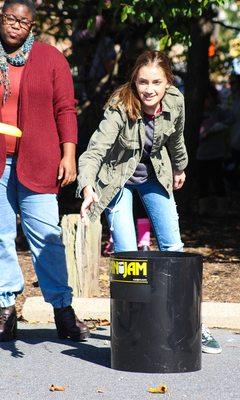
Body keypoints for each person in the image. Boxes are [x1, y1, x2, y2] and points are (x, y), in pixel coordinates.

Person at [77, 50, 221, 354]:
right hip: (118, 179)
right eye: (143, 82)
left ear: (167, 82)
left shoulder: (175, 102)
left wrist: (180, 166)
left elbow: (177, 139)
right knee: (129, 256)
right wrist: (88, 185)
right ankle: (132, 326)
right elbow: (95, 150)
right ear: (135, 81)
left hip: (155, 174)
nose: (149, 89)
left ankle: (192, 323)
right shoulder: (120, 107)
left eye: (156, 82)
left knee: (174, 249)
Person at [0, 0, 89, 342]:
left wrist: (69, 155)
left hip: (39, 160)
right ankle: (6, 309)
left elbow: (66, 108)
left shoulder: (51, 58)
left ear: (32, 25)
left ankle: (62, 310)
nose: (15, 25)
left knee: (47, 238)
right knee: (1, 236)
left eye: (23, 21)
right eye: (10, 18)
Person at [196, 84, 228, 216]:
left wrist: (217, 127)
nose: (208, 101)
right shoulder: (197, 113)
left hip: (216, 154)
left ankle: (222, 209)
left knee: (218, 181)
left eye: (210, 98)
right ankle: (203, 209)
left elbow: (232, 118)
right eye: (205, 98)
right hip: (201, 154)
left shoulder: (219, 112)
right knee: (202, 182)